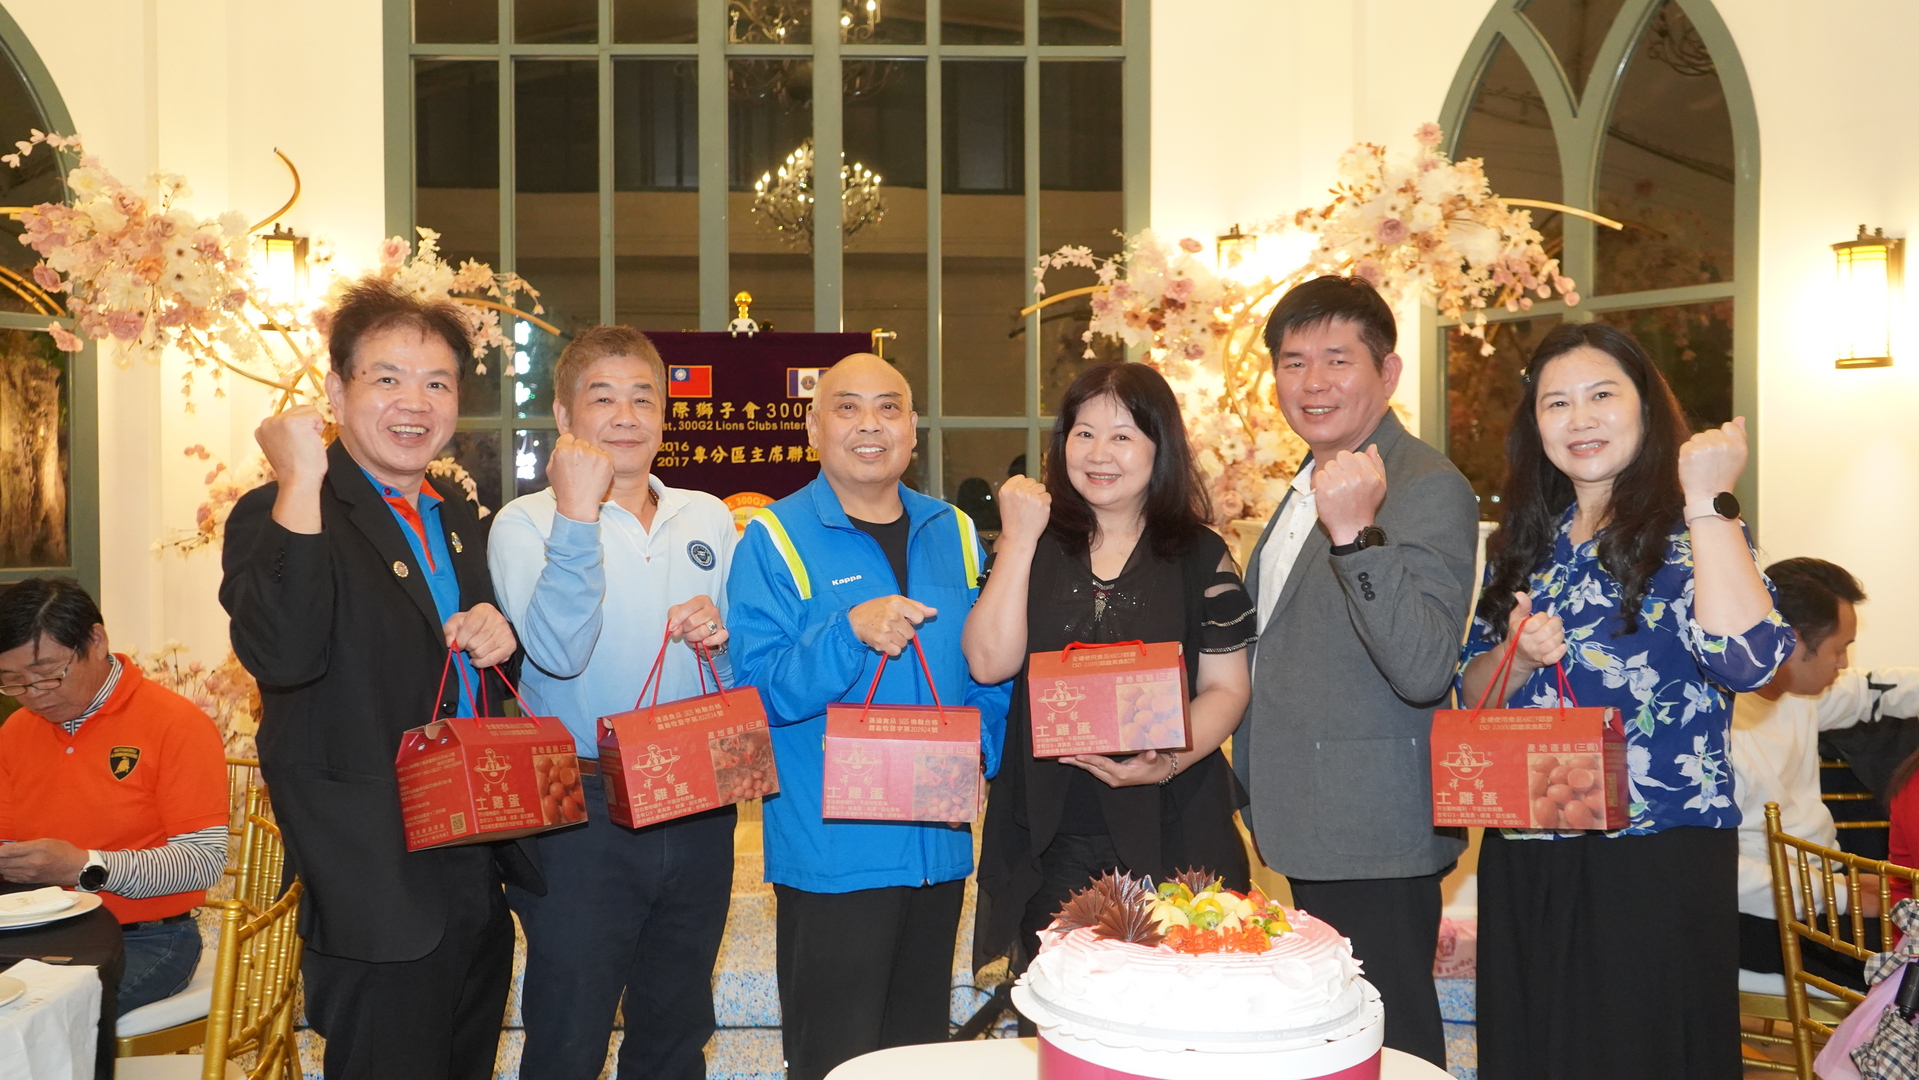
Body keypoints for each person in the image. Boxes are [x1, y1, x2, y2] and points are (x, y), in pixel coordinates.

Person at [220, 278, 540, 1080]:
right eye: (387, 378)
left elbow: (461, 665)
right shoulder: (280, 510)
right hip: (373, 886)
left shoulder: (453, 516)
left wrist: (499, 636)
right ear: (336, 392)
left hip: (472, 862)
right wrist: (300, 478)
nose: (415, 403)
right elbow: (283, 657)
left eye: (437, 383)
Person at [1457, 322, 1794, 1079]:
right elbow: (1470, 694)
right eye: (1556, 403)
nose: (1579, 419)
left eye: (1601, 395)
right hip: (1528, 843)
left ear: (1645, 406)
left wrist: (1707, 499)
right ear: (1533, 423)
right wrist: (1516, 659)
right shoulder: (1524, 543)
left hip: (1653, 854)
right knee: (1534, 1053)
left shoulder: (1689, 529)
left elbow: (1748, 661)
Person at [726, 352, 1012, 1080]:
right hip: (832, 857)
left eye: (888, 408)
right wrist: (846, 632)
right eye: (847, 407)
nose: (869, 425)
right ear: (813, 427)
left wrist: (981, 748)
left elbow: (988, 664)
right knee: (836, 1061)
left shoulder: (952, 530)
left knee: (916, 1058)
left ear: (912, 428)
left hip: (937, 846)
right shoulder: (773, 536)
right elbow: (756, 691)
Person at [1233, 275, 1479, 1067]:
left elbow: (1422, 664)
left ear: (1388, 372)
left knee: (1390, 1043)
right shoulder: (1306, 481)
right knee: (1333, 1042)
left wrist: (1356, 536)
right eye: (1293, 362)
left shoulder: (1425, 486)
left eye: (1337, 360)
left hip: (1372, 829)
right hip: (1305, 818)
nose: (1312, 382)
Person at [487, 326, 734, 1080]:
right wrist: (576, 514)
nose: (625, 416)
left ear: (664, 416)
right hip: (575, 791)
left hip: (694, 784)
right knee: (570, 1029)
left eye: (642, 399)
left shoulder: (708, 515)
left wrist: (719, 638)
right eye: (602, 398)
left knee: (676, 1025)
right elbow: (558, 653)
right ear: (565, 416)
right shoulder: (525, 522)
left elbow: (736, 668)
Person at [968, 362, 1255, 1004]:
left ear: (1160, 447)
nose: (1099, 454)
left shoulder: (1200, 554)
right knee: (1061, 1014)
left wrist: (1166, 762)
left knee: (1179, 1014)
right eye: (1084, 434)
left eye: (1122, 436)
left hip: (1175, 823)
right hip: (1049, 832)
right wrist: (1018, 540)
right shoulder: (1031, 545)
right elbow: (988, 663)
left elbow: (1227, 689)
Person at [0, 577, 228, 1018]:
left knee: (30, 1020)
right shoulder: (16, 732)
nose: (34, 695)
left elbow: (202, 861)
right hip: (34, 932)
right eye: (13, 682)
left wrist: (83, 866)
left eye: (47, 674)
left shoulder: (176, 724)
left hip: (147, 938)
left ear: (96, 641)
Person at [1731, 558, 1917, 990]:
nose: (1843, 663)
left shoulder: (1798, 694)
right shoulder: (1719, 725)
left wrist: (1839, 889)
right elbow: (1723, 873)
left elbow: (1877, 690)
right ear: (1792, 642)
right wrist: (1841, 895)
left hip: (1822, 893)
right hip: (1762, 918)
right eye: (1839, 649)